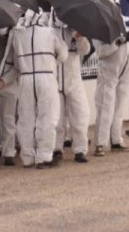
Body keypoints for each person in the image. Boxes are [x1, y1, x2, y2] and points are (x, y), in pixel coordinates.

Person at [1, 10, 67, 168]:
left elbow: (16, 63)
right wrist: (52, 62)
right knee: (47, 117)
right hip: (46, 76)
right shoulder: (50, 32)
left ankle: (27, 157)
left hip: (25, 78)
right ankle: (44, 156)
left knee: (26, 119)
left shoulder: (18, 35)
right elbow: (63, 55)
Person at [93, 31, 129, 156]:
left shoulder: (125, 24)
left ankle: (116, 140)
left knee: (119, 108)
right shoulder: (99, 26)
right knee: (105, 106)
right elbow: (100, 52)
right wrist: (117, 42)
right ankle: (100, 143)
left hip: (125, 71)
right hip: (108, 72)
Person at [55, 25, 91, 164]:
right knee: (57, 118)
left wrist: (79, 37)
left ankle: (80, 149)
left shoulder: (77, 29)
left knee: (80, 114)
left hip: (74, 79)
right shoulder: (53, 30)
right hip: (56, 78)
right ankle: (56, 149)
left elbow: (86, 50)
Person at [0, 26, 19, 167]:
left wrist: (5, 80)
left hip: (8, 84)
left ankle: (9, 152)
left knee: (8, 119)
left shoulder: (15, 38)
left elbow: (18, 65)